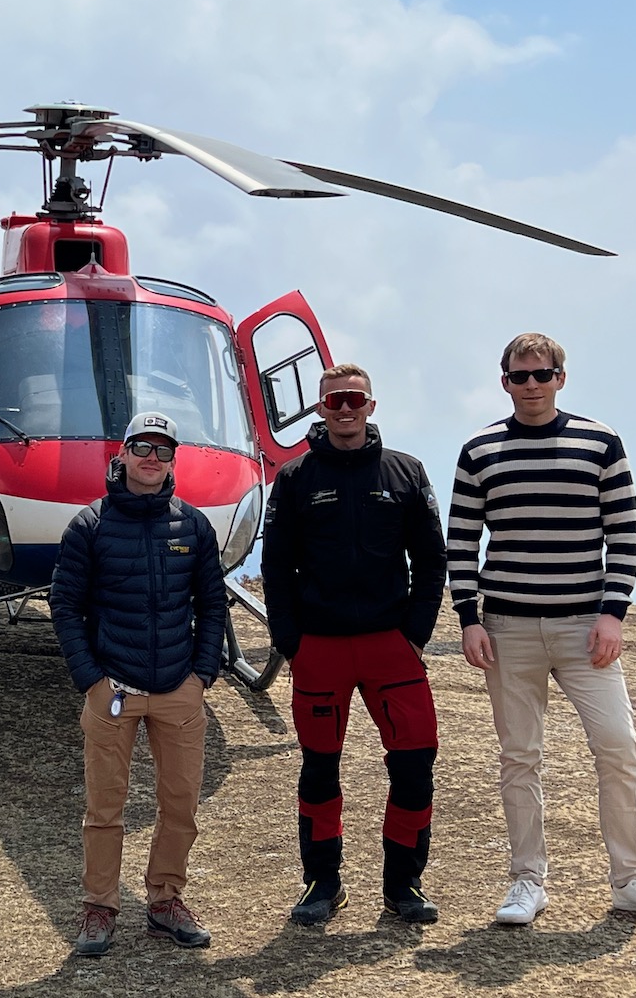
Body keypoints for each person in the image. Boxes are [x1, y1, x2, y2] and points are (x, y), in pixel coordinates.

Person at [449, 332, 636, 925]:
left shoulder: (601, 442)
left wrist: (614, 614)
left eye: (542, 374)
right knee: (519, 757)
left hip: (586, 627)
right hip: (507, 628)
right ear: (503, 380)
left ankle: (631, 881)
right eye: (519, 376)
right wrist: (469, 619)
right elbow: (460, 539)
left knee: (618, 748)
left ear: (562, 377)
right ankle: (526, 882)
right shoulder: (479, 450)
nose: (531, 385)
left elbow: (625, 532)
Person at [260, 363, 446, 926]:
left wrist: (415, 633)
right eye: (334, 400)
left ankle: (403, 886)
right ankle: (322, 883)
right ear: (320, 408)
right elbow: (276, 567)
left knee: (414, 767)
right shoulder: (294, 478)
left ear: (371, 405)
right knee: (320, 770)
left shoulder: (406, 472)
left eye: (354, 399)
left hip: (391, 644)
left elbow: (432, 558)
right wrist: (290, 643)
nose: (345, 408)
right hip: (320, 647)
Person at [50, 411, 227, 957]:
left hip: (179, 689)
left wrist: (201, 677)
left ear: (174, 458)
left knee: (181, 805)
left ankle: (165, 901)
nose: (152, 458)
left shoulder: (193, 526)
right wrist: (91, 681)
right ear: (121, 455)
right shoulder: (90, 525)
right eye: (142, 447)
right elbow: (65, 605)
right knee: (105, 808)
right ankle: (99, 908)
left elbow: (213, 605)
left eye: (163, 449)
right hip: (112, 689)